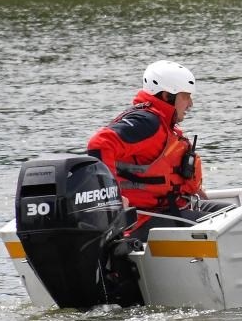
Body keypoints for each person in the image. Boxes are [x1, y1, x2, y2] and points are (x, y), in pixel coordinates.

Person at [87, 60, 213, 229]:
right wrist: (111, 196)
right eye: (186, 96)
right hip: (145, 220)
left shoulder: (163, 123)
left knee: (232, 212)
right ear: (167, 96)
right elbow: (100, 143)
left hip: (172, 208)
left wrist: (194, 189)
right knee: (234, 222)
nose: (190, 104)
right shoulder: (147, 122)